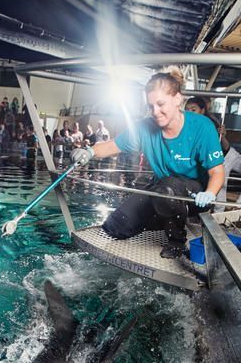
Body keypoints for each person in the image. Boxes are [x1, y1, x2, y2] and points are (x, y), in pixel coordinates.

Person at [71, 66, 225, 259]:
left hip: (195, 194)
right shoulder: (145, 127)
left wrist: (209, 193)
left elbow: (217, 172)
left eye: (161, 104)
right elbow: (112, 146)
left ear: (178, 99)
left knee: (167, 189)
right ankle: (159, 218)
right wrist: (89, 151)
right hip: (161, 190)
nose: (155, 112)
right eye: (150, 106)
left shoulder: (202, 127)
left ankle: (176, 240)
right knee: (116, 226)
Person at [184, 96, 241, 206]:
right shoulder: (187, 126)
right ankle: (218, 216)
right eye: (187, 110)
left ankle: (239, 205)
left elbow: (225, 147)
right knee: (219, 196)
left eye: (193, 109)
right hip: (217, 161)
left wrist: (222, 136)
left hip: (228, 154)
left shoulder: (211, 123)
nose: (190, 113)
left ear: (203, 110)